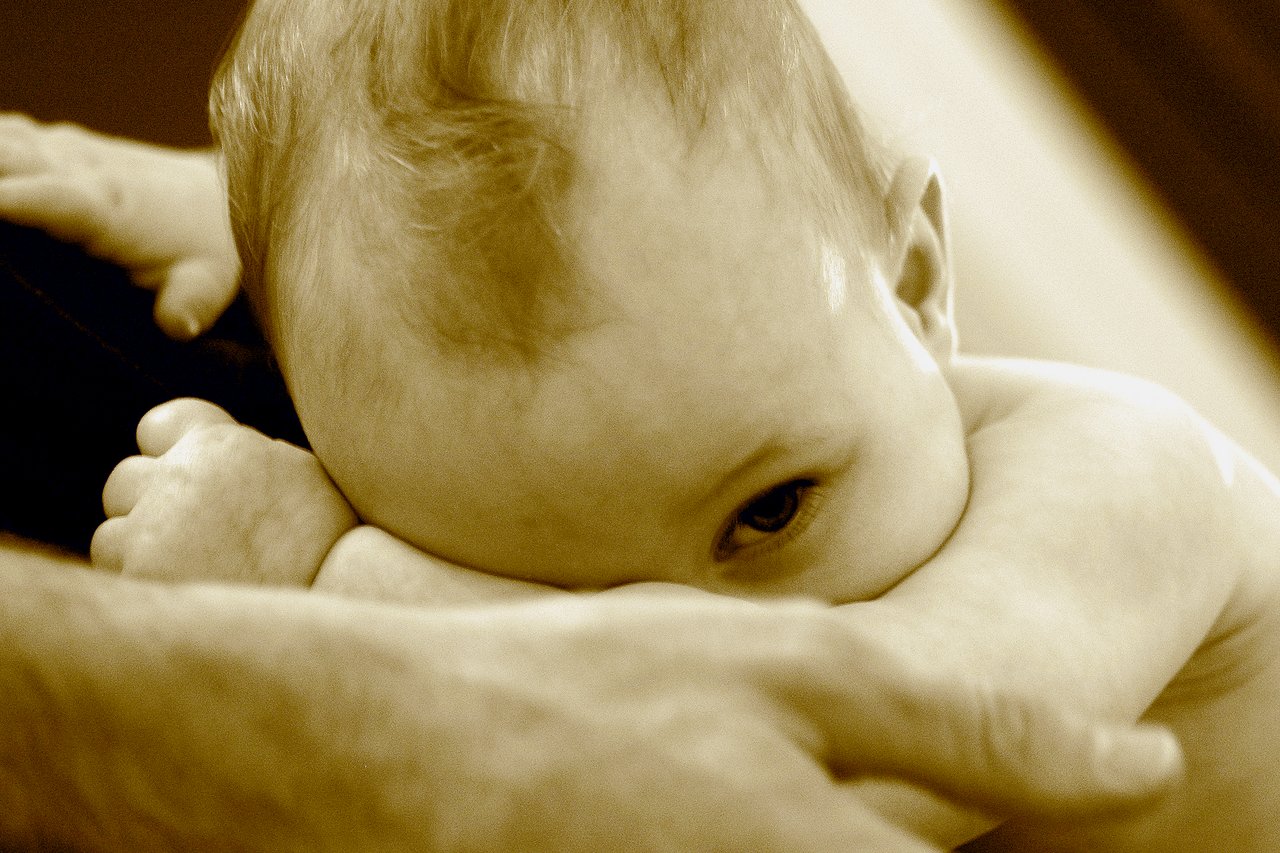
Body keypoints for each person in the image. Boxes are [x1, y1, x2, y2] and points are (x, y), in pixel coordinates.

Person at [2, 0, 1278, 848]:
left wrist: (327, 576)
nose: (683, 643)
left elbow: (774, 788)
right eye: (533, 582)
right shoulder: (731, 402)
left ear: (914, 283)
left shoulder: (1131, 478)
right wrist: (250, 238)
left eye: (767, 513)